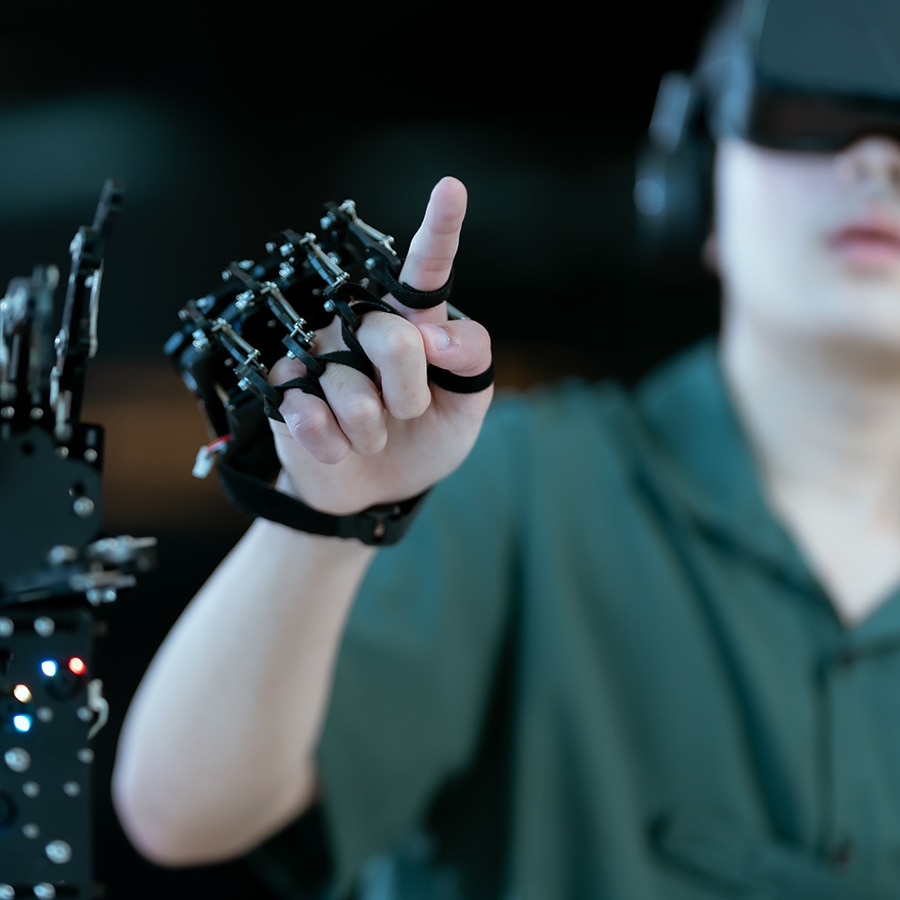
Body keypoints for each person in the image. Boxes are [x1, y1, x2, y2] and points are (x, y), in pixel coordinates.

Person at [111, 0, 900, 896]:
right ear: (696, 181)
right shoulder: (522, 488)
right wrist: (329, 518)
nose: (877, 160)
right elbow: (185, 810)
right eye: (811, 117)